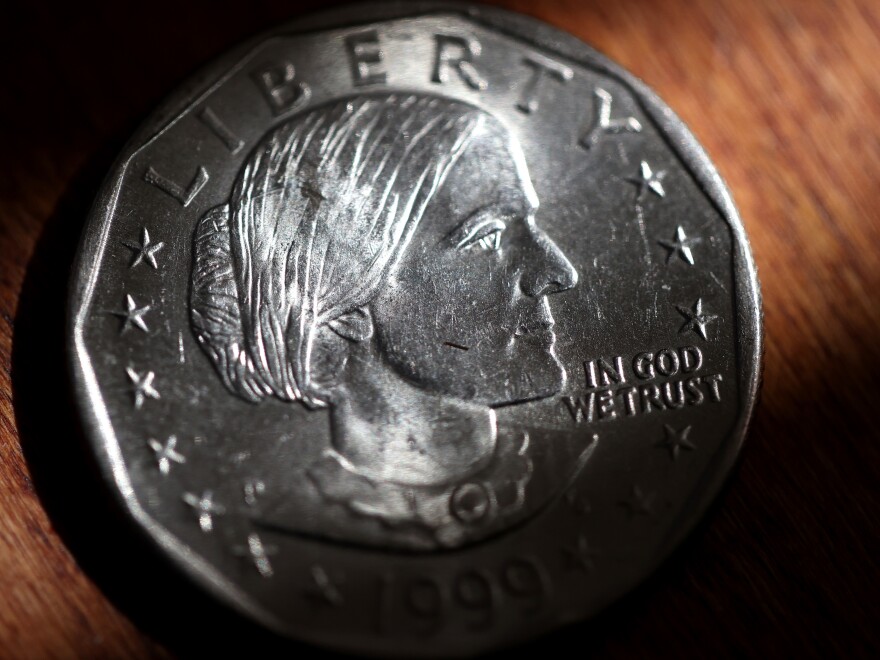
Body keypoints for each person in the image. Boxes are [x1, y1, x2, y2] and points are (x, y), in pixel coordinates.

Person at [191, 93, 581, 548]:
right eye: (488, 236)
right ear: (345, 303)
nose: (558, 271)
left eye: (530, 228)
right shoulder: (285, 530)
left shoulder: (589, 470)